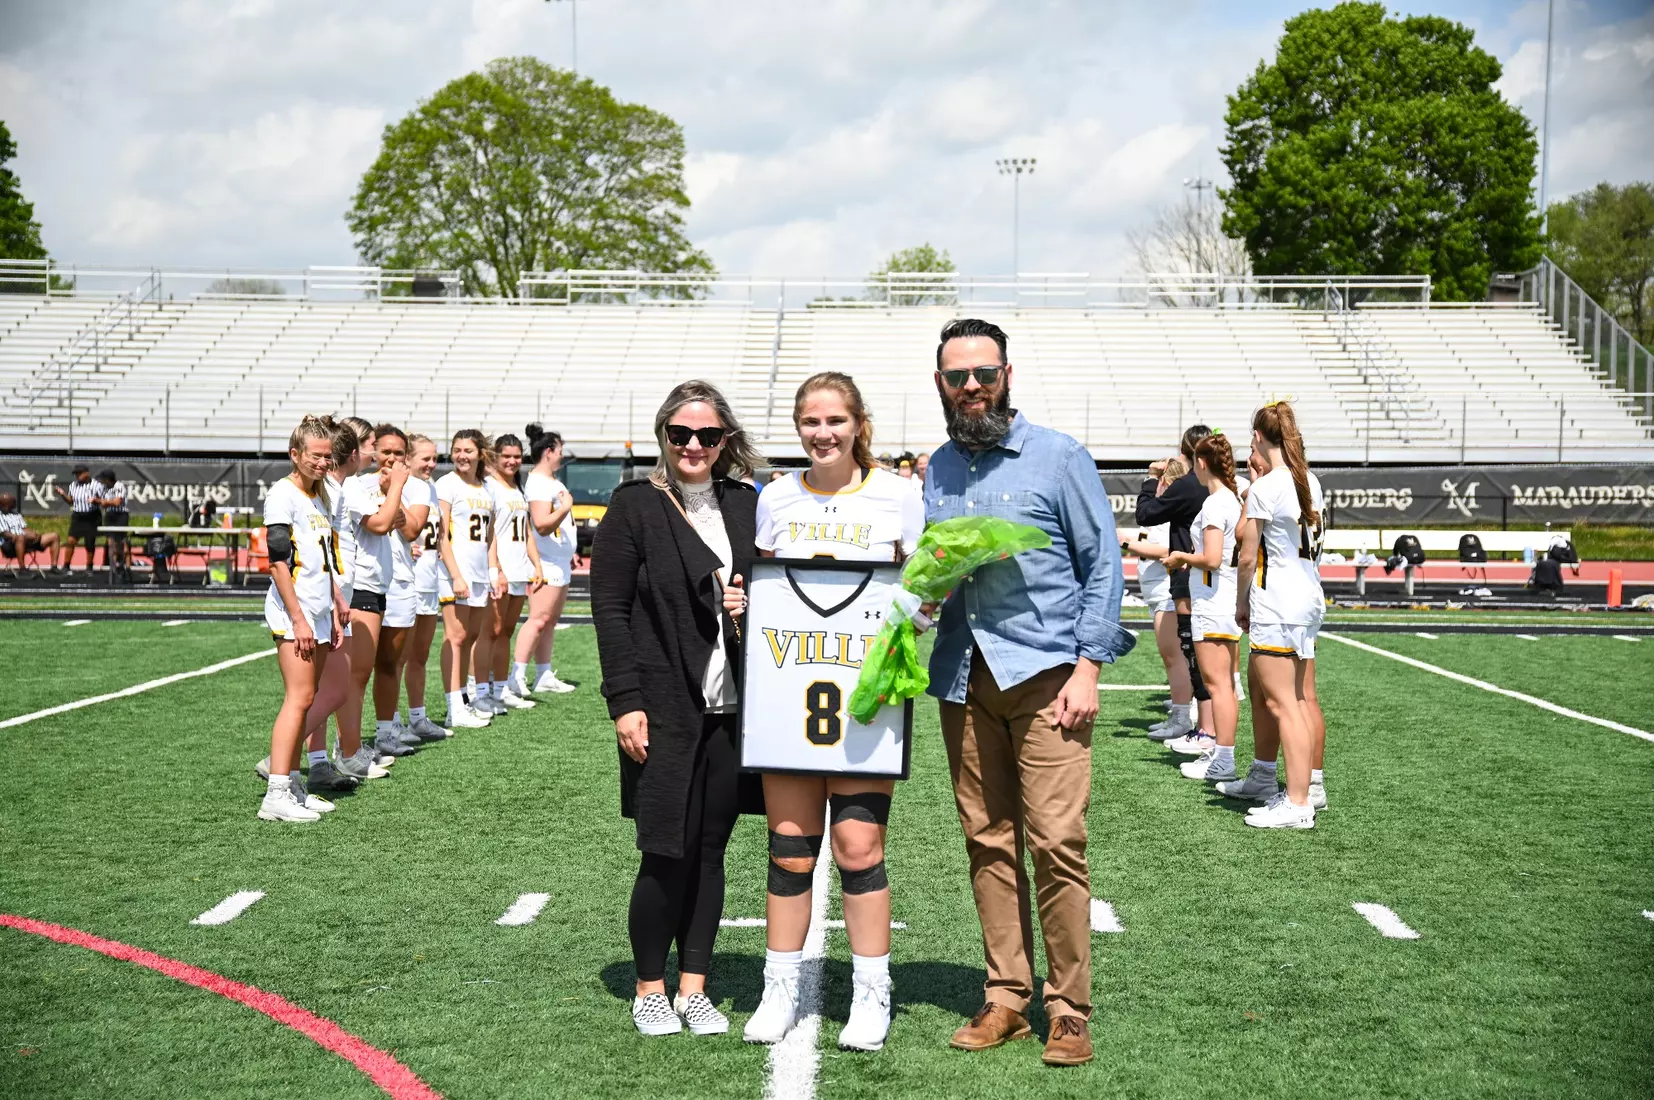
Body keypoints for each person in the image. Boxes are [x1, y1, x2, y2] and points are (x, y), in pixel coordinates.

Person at [922, 318, 1133, 1067]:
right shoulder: (937, 468)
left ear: (1006, 375)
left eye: (983, 373)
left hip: (1047, 677)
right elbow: (937, 571)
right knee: (987, 839)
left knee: (1056, 842)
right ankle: (1007, 997)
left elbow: (1102, 565)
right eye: (957, 377)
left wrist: (1089, 667)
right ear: (941, 384)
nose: (971, 387)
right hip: (963, 675)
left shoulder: (1059, 457)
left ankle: (1068, 1009)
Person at [741, 372, 924, 1052]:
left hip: (865, 695)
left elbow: (922, 584)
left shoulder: (898, 494)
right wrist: (742, 604)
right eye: (811, 422)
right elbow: (765, 587)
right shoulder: (775, 497)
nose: (823, 434)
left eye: (835, 421)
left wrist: (917, 614)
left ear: (858, 424)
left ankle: (872, 991)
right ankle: (779, 987)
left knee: (858, 846)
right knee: (789, 850)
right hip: (788, 689)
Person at [591, 379, 763, 1038]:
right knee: (665, 850)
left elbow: (772, 590)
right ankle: (650, 989)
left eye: (708, 434)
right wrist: (625, 702)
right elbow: (609, 610)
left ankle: (694, 987)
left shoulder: (746, 503)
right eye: (681, 433)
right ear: (663, 435)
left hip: (733, 707)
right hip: (662, 706)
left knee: (711, 851)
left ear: (725, 440)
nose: (694, 445)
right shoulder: (634, 504)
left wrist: (749, 607)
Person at [1219, 445, 1328, 813]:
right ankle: (1299, 783)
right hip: (1305, 594)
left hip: (1278, 600)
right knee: (1296, 697)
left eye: (1252, 447)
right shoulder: (1309, 479)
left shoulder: (1268, 486)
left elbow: (1246, 552)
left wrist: (1241, 602)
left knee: (1288, 703)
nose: (1249, 455)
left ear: (1263, 441)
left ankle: (1299, 798)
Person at [258, 416, 346, 823]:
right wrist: (299, 620)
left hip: (319, 609)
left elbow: (322, 559)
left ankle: (293, 784)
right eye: (316, 456)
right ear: (295, 454)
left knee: (308, 698)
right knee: (299, 698)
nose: (324, 463)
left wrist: (335, 606)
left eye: (328, 457)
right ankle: (275, 794)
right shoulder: (282, 494)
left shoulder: (320, 496)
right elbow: (278, 562)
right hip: (295, 610)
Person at [1163, 433, 1243, 783]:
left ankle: (1223, 757)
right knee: (1224, 684)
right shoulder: (1231, 499)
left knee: (1217, 685)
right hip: (1223, 597)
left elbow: (1211, 558)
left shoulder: (1214, 503)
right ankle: (1221, 754)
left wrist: (1181, 556)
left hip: (1213, 600)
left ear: (1201, 462)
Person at [1135, 427, 1214, 743]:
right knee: (1201, 662)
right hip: (1207, 581)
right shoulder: (1223, 488)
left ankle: (1203, 732)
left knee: (1193, 660)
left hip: (1187, 581)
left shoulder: (1191, 486)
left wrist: (1150, 479)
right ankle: (1205, 732)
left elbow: (1145, 515)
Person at [1121, 456, 1197, 735]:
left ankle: (1182, 717)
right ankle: (1182, 710)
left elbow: (1167, 549)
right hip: (1158, 591)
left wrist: (1126, 543)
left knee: (1175, 657)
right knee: (1173, 657)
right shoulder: (1163, 507)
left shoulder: (1172, 508)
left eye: (1157, 482)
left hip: (1167, 590)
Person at [437, 429, 498, 729]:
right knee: (456, 638)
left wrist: (493, 570)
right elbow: (441, 536)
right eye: (457, 450)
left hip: (478, 574)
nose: (462, 456)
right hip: (456, 573)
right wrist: (455, 575)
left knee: (471, 637)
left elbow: (490, 535)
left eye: (468, 450)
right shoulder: (447, 484)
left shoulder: (486, 488)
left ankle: (462, 699)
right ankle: (453, 707)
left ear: (480, 454)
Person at [512, 424, 577, 696]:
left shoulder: (552, 481)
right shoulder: (539, 483)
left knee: (549, 621)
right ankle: (516, 676)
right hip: (546, 562)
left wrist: (569, 550)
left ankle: (543, 674)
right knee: (538, 619)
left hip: (559, 560)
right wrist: (566, 508)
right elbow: (540, 525)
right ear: (549, 451)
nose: (562, 455)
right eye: (559, 450)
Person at [482, 433, 544, 710]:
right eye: (506, 456)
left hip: (519, 569)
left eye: (517, 456)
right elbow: (490, 532)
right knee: (492, 631)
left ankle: (500, 687)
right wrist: (497, 569)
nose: (512, 461)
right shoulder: (490, 486)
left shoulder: (517, 486)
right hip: (502, 569)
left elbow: (526, 530)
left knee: (505, 631)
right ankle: (481, 687)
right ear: (495, 456)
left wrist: (536, 563)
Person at [399, 434, 452, 741]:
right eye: (425, 458)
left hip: (429, 580)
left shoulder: (430, 488)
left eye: (434, 458)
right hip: (406, 581)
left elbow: (439, 535)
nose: (431, 464)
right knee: (397, 659)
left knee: (420, 656)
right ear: (408, 458)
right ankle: (391, 722)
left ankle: (418, 718)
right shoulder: (401, 487)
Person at [53, 465, 101, 572]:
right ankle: (66, 565)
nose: (77, 476)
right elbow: (71, 501)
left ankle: (89, 566)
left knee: (89, 542)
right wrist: (62, 494)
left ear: (86, 473)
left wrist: (95, 501)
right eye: (76, 474)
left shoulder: (96, 485)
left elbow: (102, 500)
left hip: (91, 516)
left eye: (79, 474)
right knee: (71, 540)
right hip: (78, 516)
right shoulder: (73, 485)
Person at [0, 492, 60, 569]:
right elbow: (4, 533)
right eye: (13, 501)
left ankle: (54, 567)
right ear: (7, 504)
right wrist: (16, 536)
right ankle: (22, 568)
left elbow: (24, 528)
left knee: (54, 536)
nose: (15, 503)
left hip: (26, 541)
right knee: (20, 538)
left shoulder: (16, 514)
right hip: (9, 544)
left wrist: (34, 534)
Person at [95, 470, 132, 577]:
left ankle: (127, 567)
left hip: (120, 515)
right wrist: (102, 502)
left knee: (123, 541)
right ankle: (113, 567)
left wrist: (103, 502)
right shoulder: (104, 488)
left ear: (108, 479)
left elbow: (117, 502)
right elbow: (103, 503)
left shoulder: (119, 486)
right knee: (111, 542)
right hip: (109, 515)